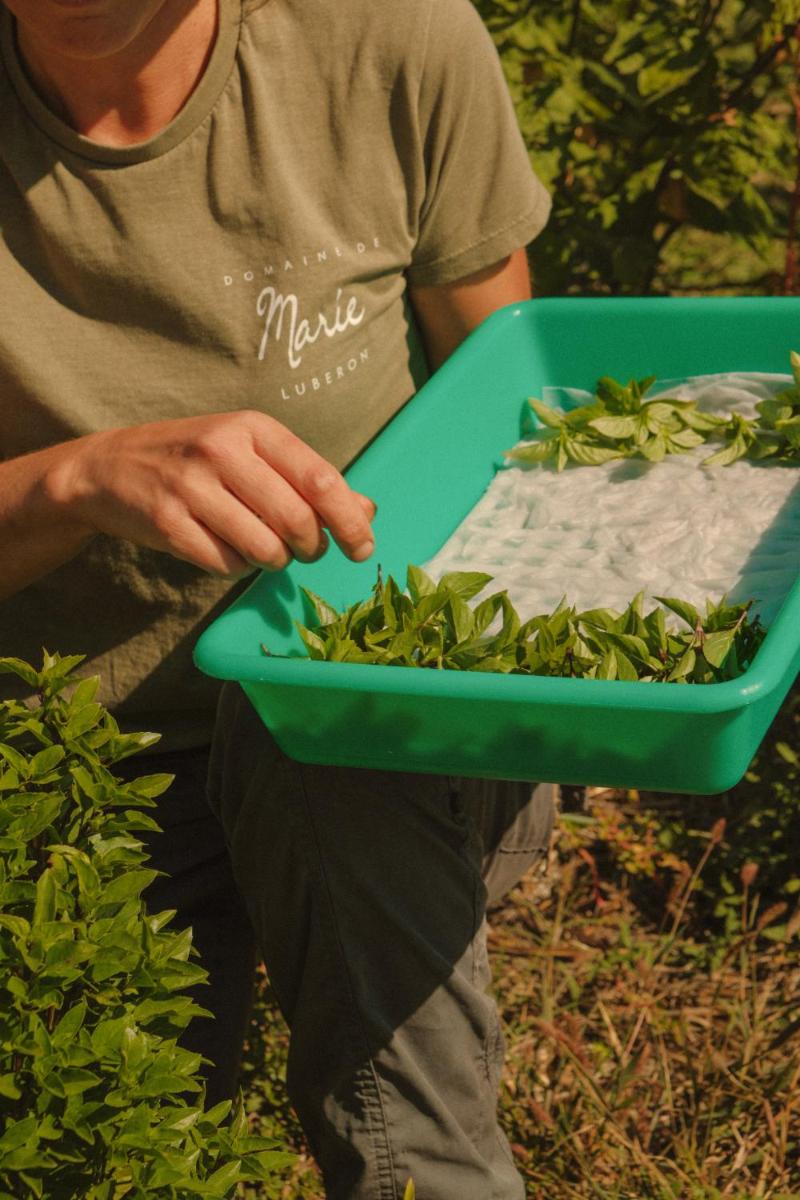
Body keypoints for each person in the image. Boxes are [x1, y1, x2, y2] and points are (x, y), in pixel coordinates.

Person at [0, 0, 556, 1196]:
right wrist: (72, 481)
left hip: (381, 737)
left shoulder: (389, 41)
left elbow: (518, 428)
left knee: (312, 721)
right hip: (77, 760)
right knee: (104, 1154)